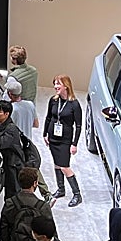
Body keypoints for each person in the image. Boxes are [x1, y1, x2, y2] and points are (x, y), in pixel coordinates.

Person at [1, 167, 54, 241]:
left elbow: (4, 228)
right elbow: (51, 231)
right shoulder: (42, 206)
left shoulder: (10, 203)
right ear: (35, 183)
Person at [43, 74, 83, 207]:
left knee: (65, 167)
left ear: (66, 86)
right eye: (54, 84)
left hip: (65, 140)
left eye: (58, 84)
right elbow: (48, 117)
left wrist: (74, 144)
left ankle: (77, 194)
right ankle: (61, 189)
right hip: (53, 137)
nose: (55, 86)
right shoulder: (53, 100)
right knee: (56, 164)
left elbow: (78, 126)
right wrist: (45, 134)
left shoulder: (74, 104)